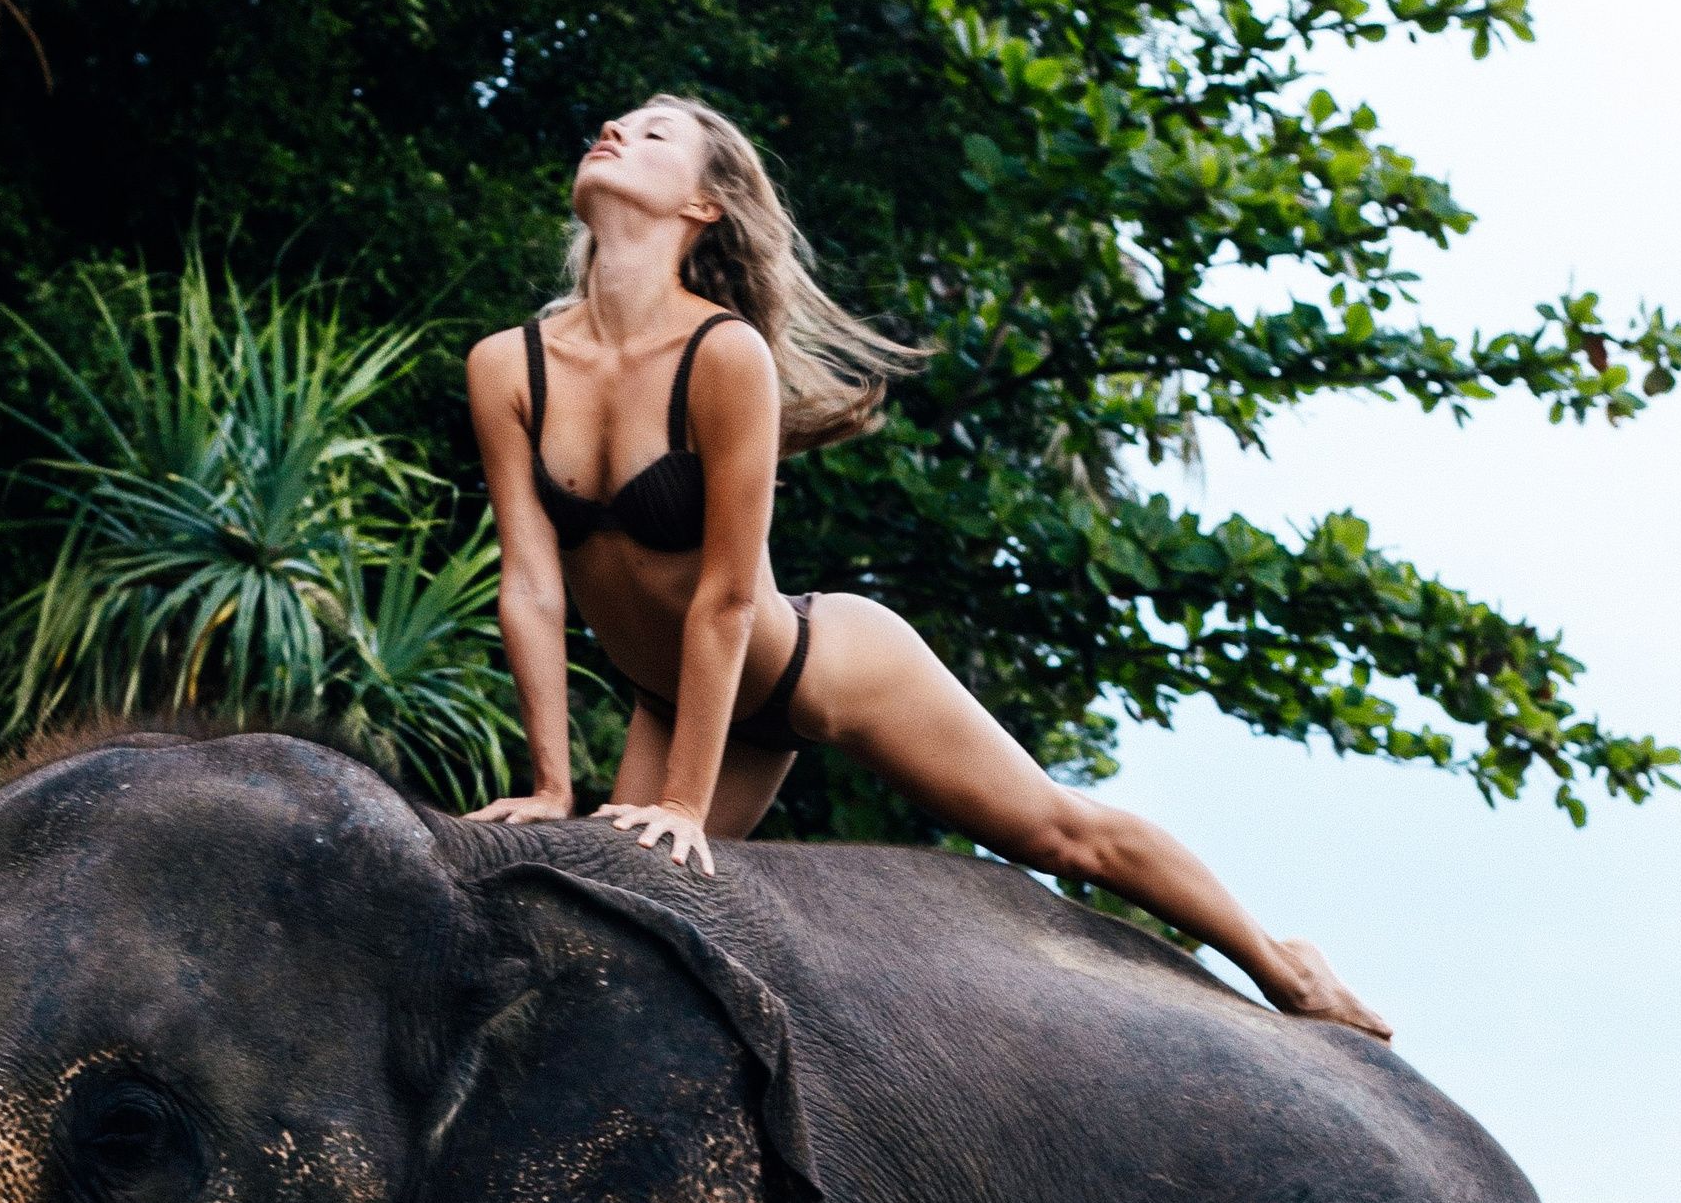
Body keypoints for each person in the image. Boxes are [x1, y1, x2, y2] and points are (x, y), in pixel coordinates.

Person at [464, 93, 1390, 1039]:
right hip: (679, 697)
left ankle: (1289, 970)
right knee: (589, 932)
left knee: (1058, 834)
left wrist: (681, 806)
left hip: (814, 663)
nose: (615, 131)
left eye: (654, 132)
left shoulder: (723, 354)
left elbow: (730, 597)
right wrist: (551, 788)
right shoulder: (509, 366)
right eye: (614, 125)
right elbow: (531, 588)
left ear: (704, 205)